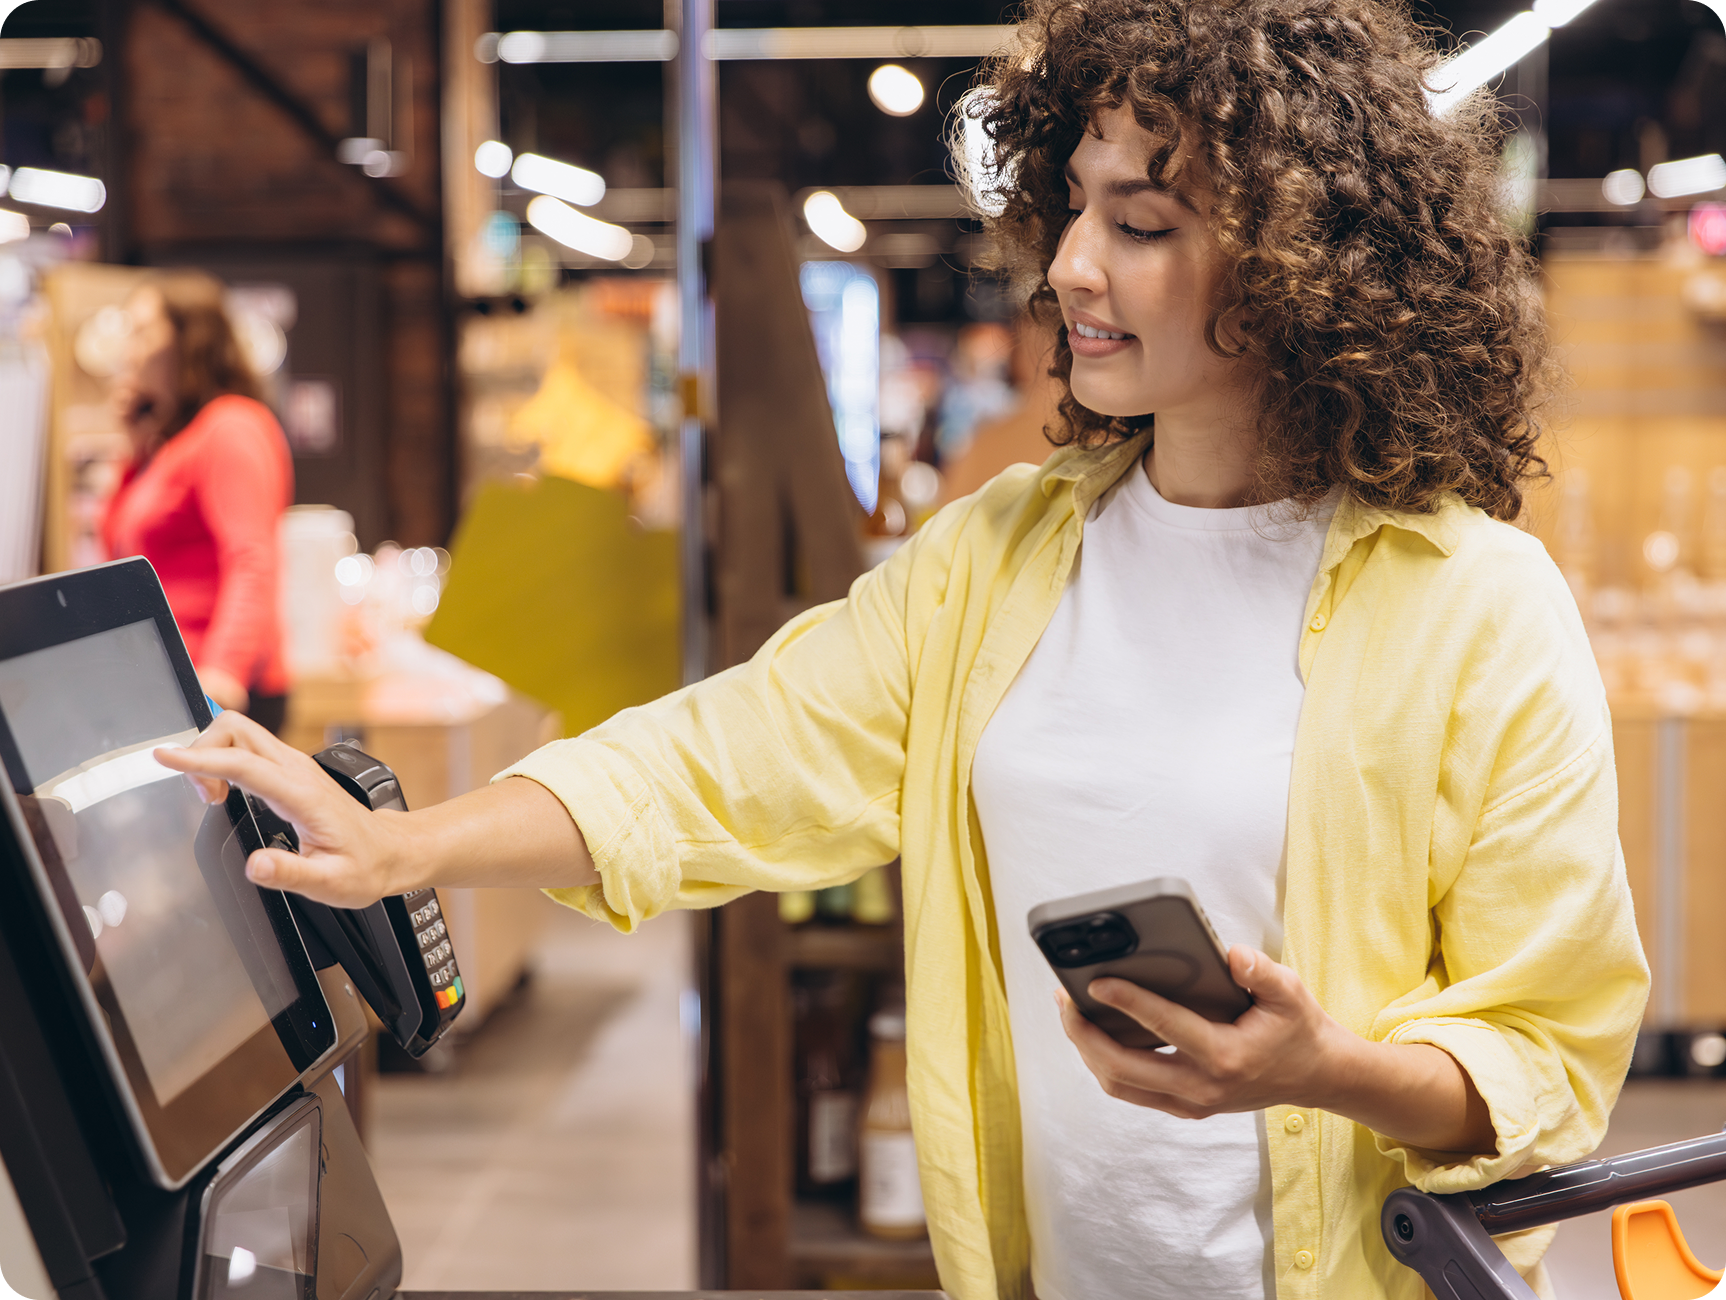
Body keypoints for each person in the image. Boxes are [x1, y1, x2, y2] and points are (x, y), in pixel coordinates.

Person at [159, 1, 1650, 1297]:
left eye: (1139, 226)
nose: (1069, 265)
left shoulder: (1474, 606)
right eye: (1070, 206)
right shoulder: (999, 559)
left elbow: (1550, 1054)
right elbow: (726, 754)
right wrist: (406, 846)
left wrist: (1320, 1072)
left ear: (1301, 267)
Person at [104, 272, 294, 734]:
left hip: (218, 687)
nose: (129, 349)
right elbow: (121, 551)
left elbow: (251, 558)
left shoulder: (229, 426)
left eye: (143, 331)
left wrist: (222, 679)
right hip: (171, 680)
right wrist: (135, 447)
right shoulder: (174, 444)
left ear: (189, 340)